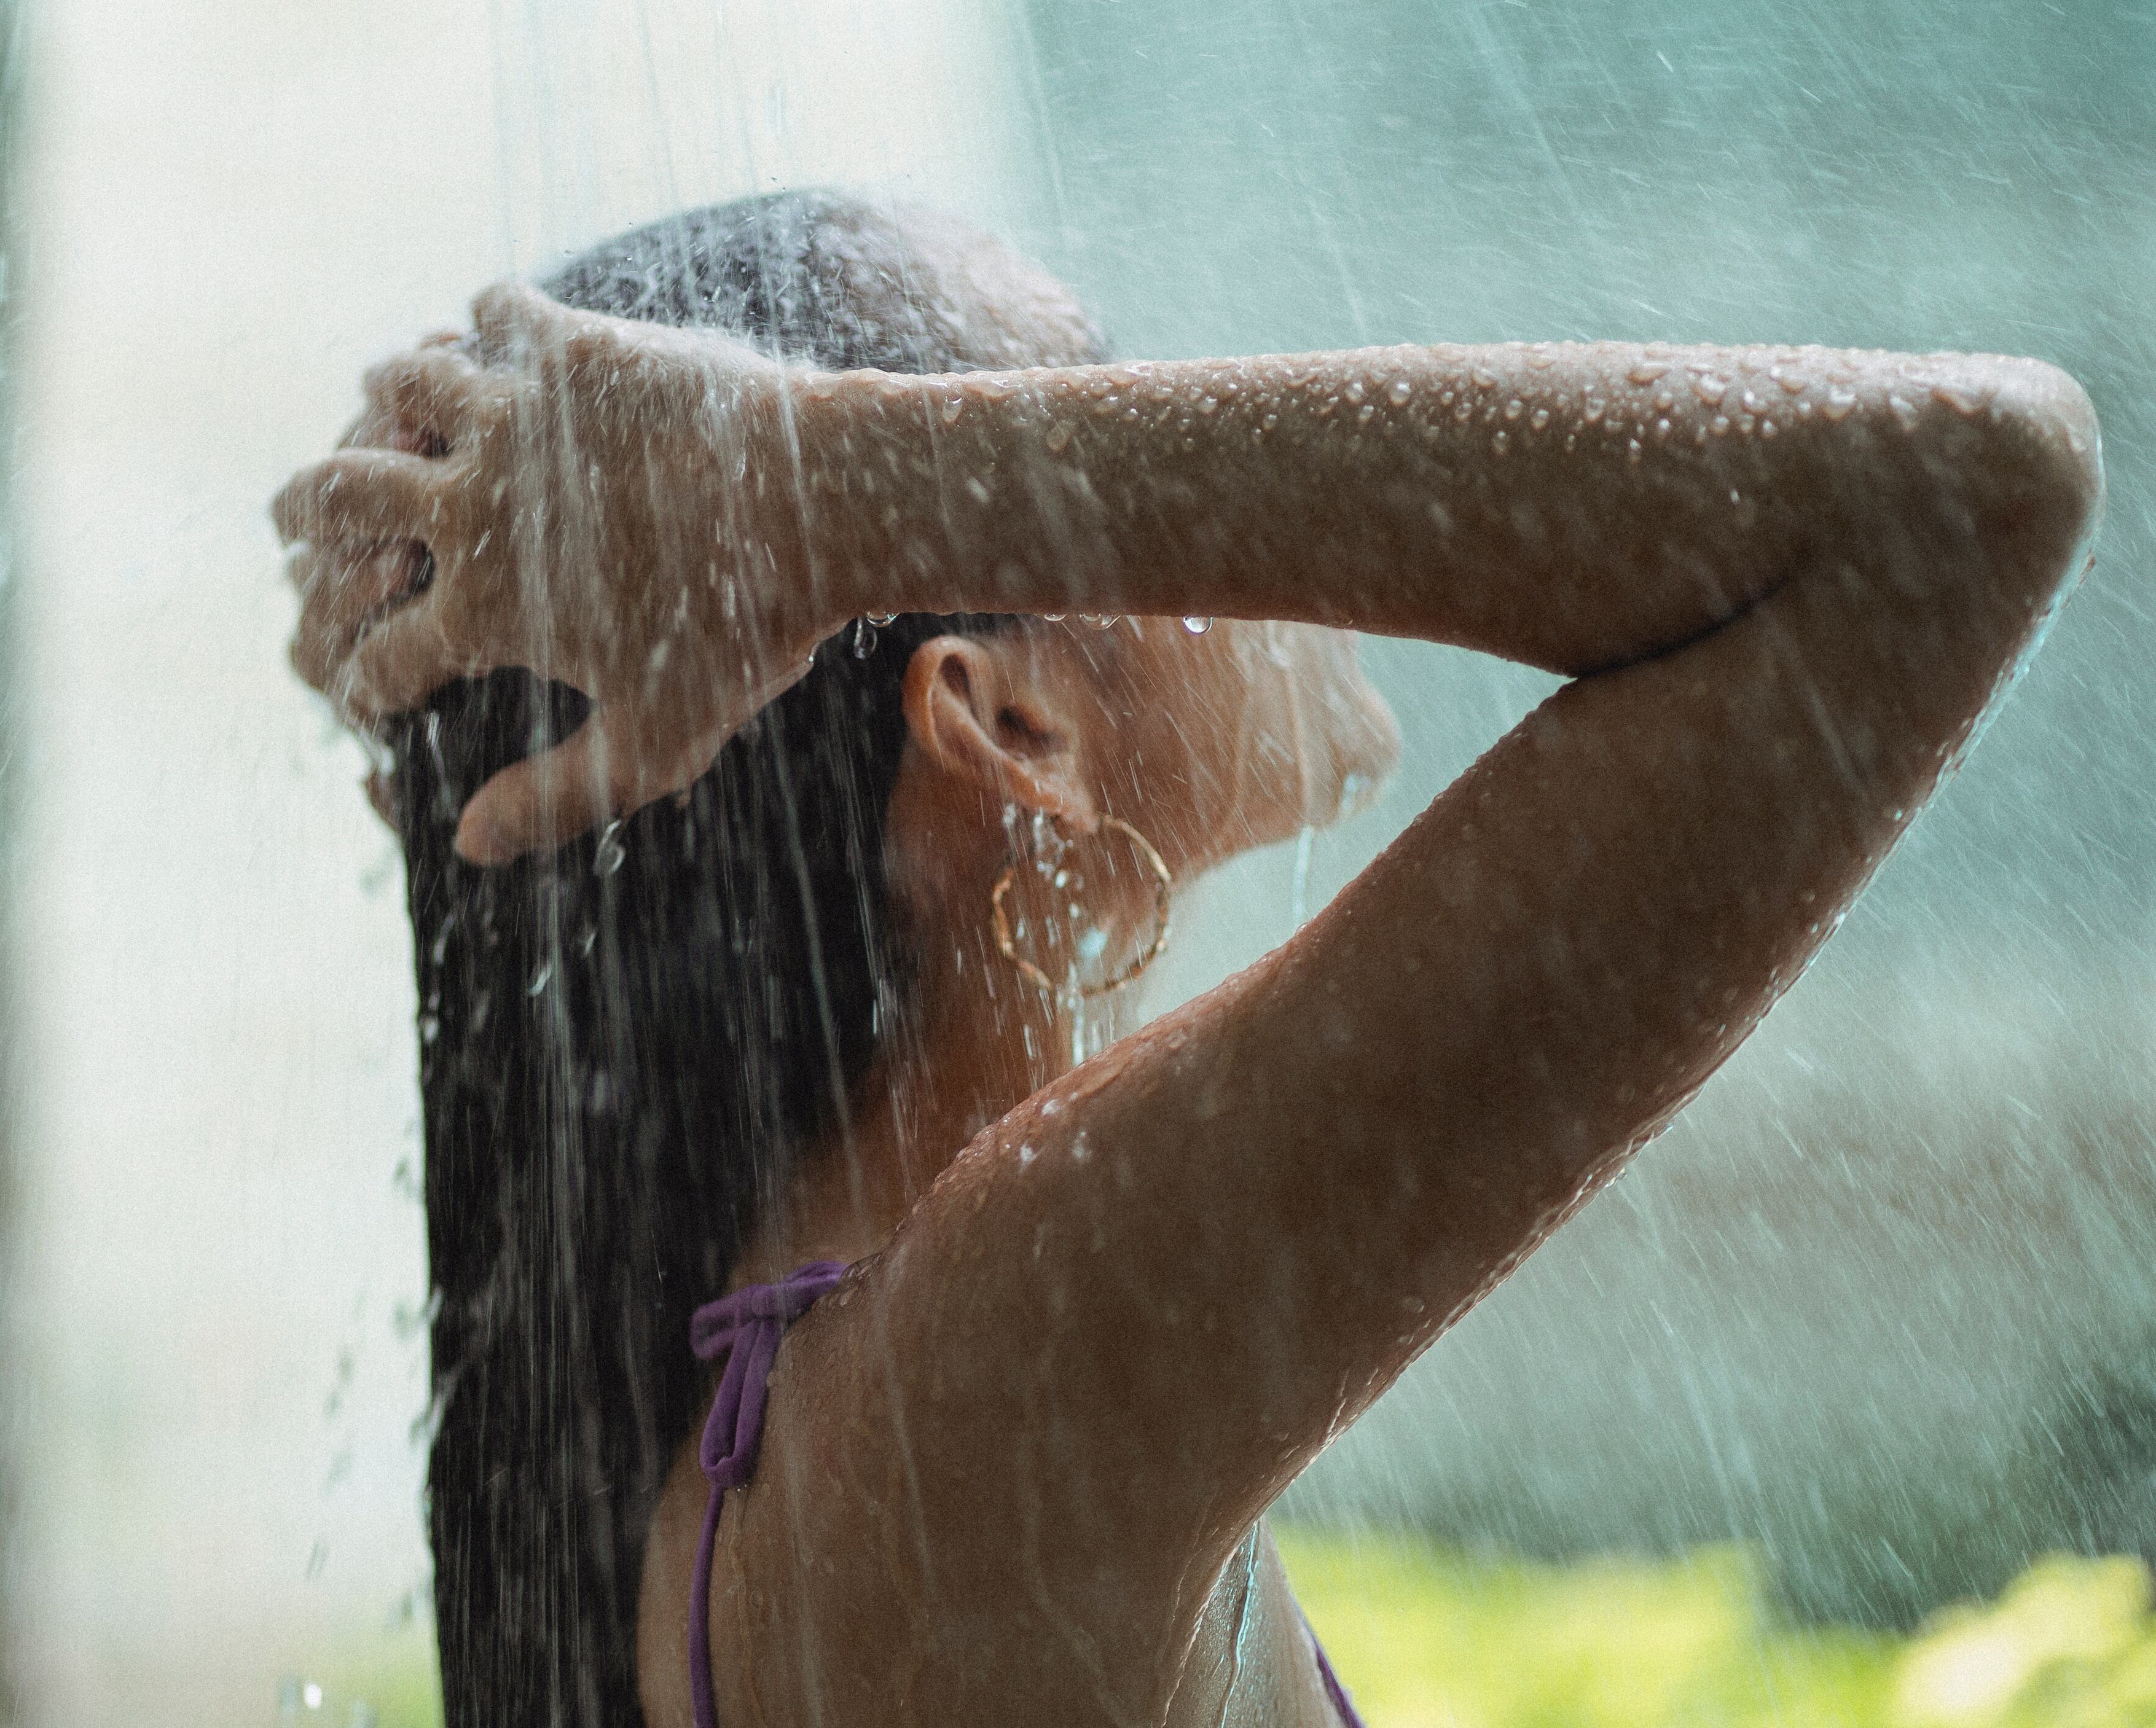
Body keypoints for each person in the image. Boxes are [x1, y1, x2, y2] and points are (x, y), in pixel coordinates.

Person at [272, 193, 2100, 1728]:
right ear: (1009, 729)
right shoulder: (983, 1367)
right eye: (1080, 410)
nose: (1185, 447)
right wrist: (819, 481)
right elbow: (1952, 492)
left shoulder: (865, 1377)